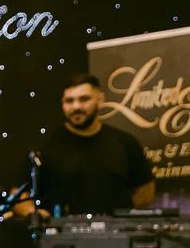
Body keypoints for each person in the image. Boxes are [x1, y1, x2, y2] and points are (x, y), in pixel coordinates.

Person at [21, 72, 156, 218]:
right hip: (61, 230)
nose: (76, 106)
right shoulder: (44, 147)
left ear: (100, 99)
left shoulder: (125, 142)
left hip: (115, 230)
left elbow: (145, 192)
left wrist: (122, 220)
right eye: (69, 101)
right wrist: (33, 214)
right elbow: (18, 192)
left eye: (84, 99)